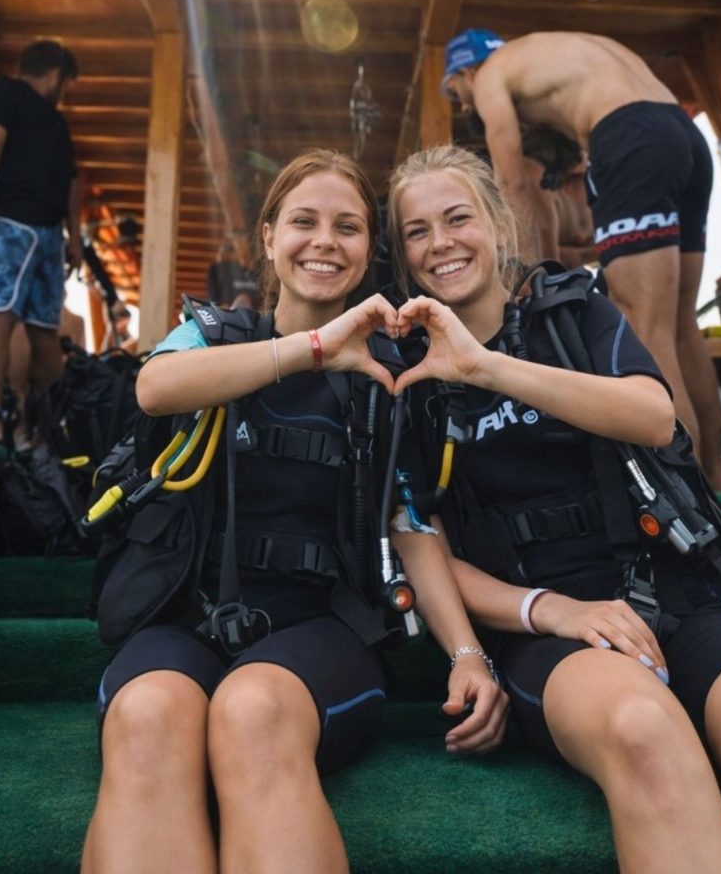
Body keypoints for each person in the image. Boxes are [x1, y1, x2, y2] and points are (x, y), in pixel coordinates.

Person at [80, 149, 505, 874]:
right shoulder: (212, 334)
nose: (323, 242)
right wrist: (310, 350)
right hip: (185, 620)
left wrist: (469, 654)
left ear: (370, 250)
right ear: (270, 238)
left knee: (252, 711)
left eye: (347, 227)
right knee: (149, 719)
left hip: (322, 634)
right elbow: (156, 388)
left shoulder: (387, 372)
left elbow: (412, 527)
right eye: (303, 222)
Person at [387, 145, 721, 874]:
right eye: (417, 231)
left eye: (457, 218)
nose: (441, 242)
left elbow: (653, 418)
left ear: (497, 223)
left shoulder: (571, 313)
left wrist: (486, 366)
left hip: (676, 595)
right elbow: (424, 550)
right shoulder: (406, 379)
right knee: (645, 729)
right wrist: (555, 611)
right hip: (548, 629)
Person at [441, 28, 721, 493]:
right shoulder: (549, 54)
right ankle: (719, 478)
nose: (463, 107)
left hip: (628, 134)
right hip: (681, 132)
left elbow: (512, 182)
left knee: (644, 325)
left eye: (456, 92)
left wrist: (524, 275)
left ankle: (689, 493)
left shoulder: (491, 75)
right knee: (680, 322)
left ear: (466, 69)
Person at [0, 39, 81, 455]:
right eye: (65, 83)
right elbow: (72, 183)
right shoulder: (19, 99)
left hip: (31, 231)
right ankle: (28, 426)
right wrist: (74, 238)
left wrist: (75, 239)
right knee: (22, 324)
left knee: (19, 322)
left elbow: (71, 183)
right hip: (31, 229)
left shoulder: (40, 113)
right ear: (55, 74)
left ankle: (27, 426)